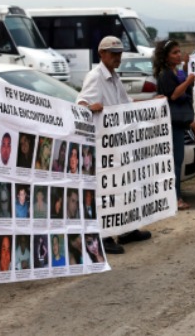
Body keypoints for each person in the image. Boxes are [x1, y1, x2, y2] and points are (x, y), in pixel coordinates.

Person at [77, 36, 153, 254]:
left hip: (119, 142)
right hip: (105, 144)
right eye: (113, 53)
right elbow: (81, 102)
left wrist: (153, 102)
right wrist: (90, 106)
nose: (117, 57)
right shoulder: (96, 77)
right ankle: (104, 235)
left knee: (125, 185)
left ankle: (127, 229)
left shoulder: (114, 77)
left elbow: (126, 104)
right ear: (101, 54)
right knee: (107, 190)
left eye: (119, 53)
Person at [154, 39, 195, 210]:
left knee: (177, 160)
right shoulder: (165, 75)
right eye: (174, 53)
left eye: (179, 52)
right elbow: (173, 95)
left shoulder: (176, 72)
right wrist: (187, 82)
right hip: (172, 121)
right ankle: (175, 197)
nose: (178, 55)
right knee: (175, 160)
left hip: (180, 121)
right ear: (165, 57)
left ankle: (175, 195)